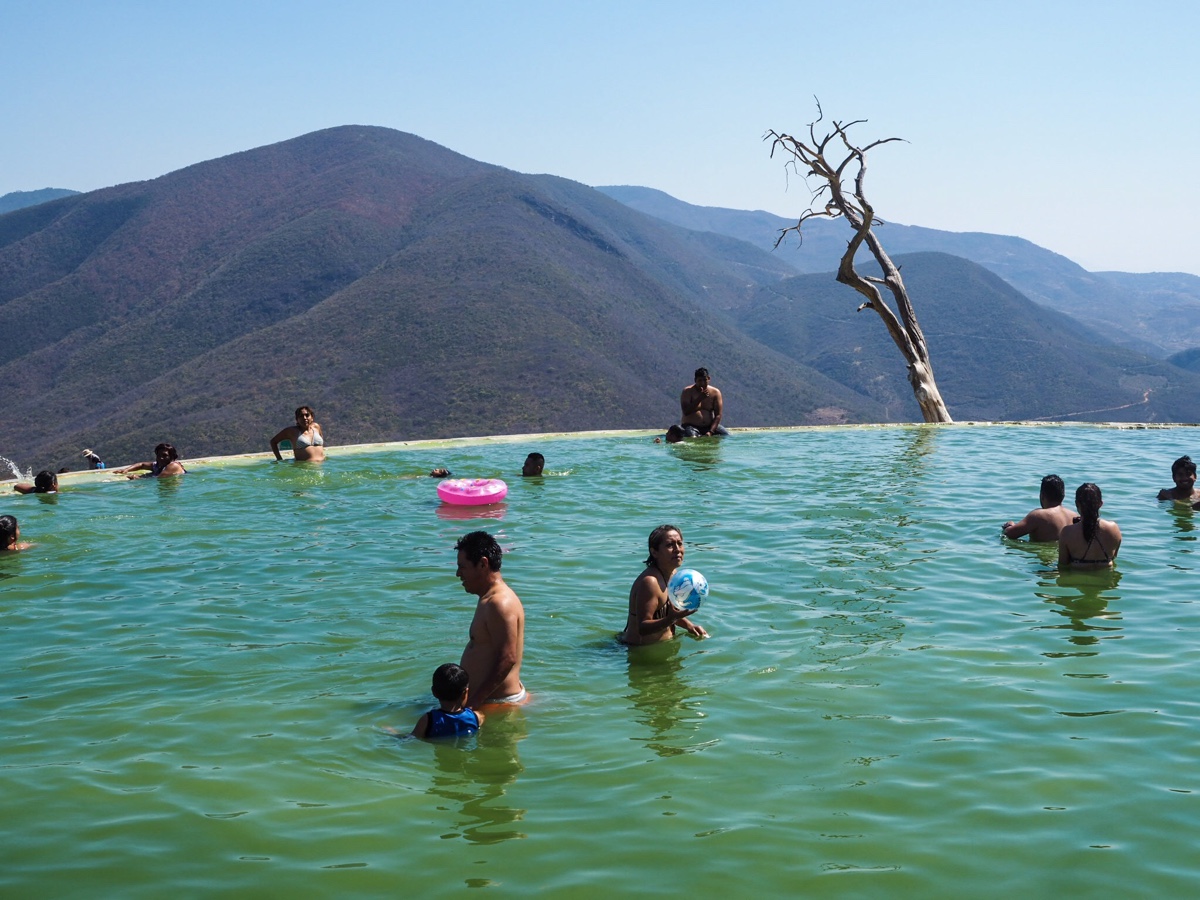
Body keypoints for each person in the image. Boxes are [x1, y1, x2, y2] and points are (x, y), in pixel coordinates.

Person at [455, 531, 526, 707]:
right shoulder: (488, 598)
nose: (458, 574)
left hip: (498, 702)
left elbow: (508, 658)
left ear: (483, 564)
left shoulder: (499, 603)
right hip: (489, 700)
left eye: (462, 567)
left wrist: (473, 704)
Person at [618, 524, 708, 645]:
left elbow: (670, 613)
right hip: (638, 649)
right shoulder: (650, 583)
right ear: (654, 552)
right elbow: (643, 628)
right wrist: (671, 619)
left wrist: (689, 626)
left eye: (680, 543)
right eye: (670, 545)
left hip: (662, 647)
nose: (677, 549)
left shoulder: (674, 574)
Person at [411, 663, 485, 739]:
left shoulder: (428, 720)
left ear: (434, 692)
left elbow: (412, 738)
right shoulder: (477, 717)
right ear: (465, 693)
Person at [1058, 483, 1122, 569]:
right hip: (1106, 576)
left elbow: (1063, 565)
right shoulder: (1114, 528)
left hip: (1078, 576)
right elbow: (1114, 556)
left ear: (1077, 504)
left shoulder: (1067, 532)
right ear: (1100, 504)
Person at [1002, 474, 1076, 542]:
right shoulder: (1074, 516)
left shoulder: (1038, 516)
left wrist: (1010, 526)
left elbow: (1009, 534)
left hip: (1043, 552)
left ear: (1042, 496)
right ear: (1063, 496)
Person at [680, 367, 728, 438]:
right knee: (692, 438)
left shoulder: (715, 392)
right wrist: (699, 398)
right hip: (691, 426)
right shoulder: (687, 391)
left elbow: (718, 415)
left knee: (727, 436)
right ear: (695, 380)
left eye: (705, 380)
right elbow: (686, 411)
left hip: (709, 427)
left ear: (708, 379)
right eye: (699, 380)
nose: (702, 383)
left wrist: (711, 431)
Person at [113, 443, 187, 478]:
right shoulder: (158, 466)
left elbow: (159, 478)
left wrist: (139, 478)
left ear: (172, 457)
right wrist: (126, 470)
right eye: (159, 455)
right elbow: (142, 465)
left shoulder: (173, 465)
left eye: (165, 456)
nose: (161, 458)